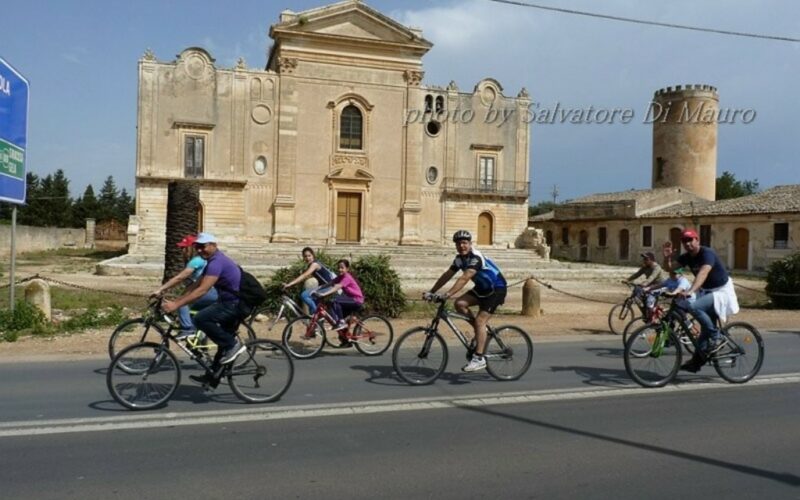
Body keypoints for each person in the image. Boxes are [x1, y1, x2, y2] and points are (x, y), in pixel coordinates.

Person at [162, 233, 247, 382]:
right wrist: (165, 291)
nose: (199, 250)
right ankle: (213, 377)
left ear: (214, 245)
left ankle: (233, 345)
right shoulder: (211, 261)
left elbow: (202, 290)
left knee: (201, 319)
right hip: (227, 302)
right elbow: (195, 284)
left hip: (232, 304)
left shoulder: (217, 262)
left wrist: (176, 304)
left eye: (203, 246)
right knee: (220, 342)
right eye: (197, 247)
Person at [426, 230, 507, 373]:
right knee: (460, 304)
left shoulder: (476, 258)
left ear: (470, 244)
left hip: (497, 289)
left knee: (480, 321)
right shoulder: (459, 259)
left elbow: (464, 278)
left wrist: (448, 294)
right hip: (482, 289)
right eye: (458, 243)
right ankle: (479, 332)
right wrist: (432, 291)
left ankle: (479, 358)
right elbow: (447, 275)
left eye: (464, 243)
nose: (461, 246)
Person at [662, 228, 739, 373]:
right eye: (685, 241)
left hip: (721, 291)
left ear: (697, 240)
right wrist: (667, 258)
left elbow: (703, 273)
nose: (688, 244)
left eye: (690, 240)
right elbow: (670, 270)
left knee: (695, 307)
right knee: (704, 329)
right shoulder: (686, 257)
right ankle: (696, 363)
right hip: (706, 291)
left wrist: (690, 291)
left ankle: (716, 336)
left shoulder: (707, 253)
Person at [151, 234, 218, 338]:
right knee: (196, 318)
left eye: (183, 247)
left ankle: (187, 329)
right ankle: (198, 346)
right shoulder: (202, 260)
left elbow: (180, 277)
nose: (181, 250)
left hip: (209, 292)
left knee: (182, 303)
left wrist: (161, 289)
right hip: (212, 292)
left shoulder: (196, 261)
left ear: (190, 248)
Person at [313, 259, 365, 346]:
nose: (340, 269)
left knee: (335, 301)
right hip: (349, 300)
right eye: (339, 267)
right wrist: (316, 289)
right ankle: (346, 341)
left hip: (357, 300)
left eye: (342, 268)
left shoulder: (347, 277)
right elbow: (330, 283)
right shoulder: (340, 277)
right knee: (335, 316)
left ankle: (341, 322)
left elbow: (336, 287)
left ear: (347, 269)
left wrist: (323, 294)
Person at [282, 247, 337, 315]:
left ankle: (318, 314)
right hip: (327, 286)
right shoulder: (314, 263)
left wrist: (290, 284)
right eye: (305, 256)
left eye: (309, 256)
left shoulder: (314, 264)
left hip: (329, 286)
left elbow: (304, 275)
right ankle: (318, 322)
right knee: (313, 305)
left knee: (304, 295)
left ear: (313, 255)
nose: (308, 258)